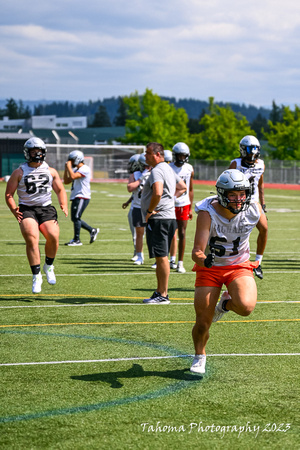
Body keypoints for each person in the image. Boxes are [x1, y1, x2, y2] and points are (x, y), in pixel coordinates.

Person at [190, 169, 268, 374]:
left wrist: (258, 259)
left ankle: (225, 304)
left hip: (239, 265)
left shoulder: (252, 208)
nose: (238, 199)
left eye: (242, 194)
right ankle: (200, 355)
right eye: (233, 194)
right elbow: (197, 250)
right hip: (211, 267)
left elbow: (265, 230)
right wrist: (203, 259)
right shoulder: (208, 211)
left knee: (246, 307)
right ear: (222, 194)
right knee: (203, 321)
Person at [5, 137, 68, 294]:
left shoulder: (50, 171)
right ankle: (36, 275)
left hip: (46, 208)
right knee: (32, 238)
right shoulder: (19, 172)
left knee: (53, 236)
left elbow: (60, 189)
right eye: (33, 152)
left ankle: (49, 265)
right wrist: (14, 208)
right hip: (27, 209)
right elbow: (9, 194)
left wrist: (63, 203)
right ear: (27, 153)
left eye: (39, 151)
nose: (36, 155)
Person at [141, 142, 187, 304]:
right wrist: (170, 200)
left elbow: (158, 192)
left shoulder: (158, 171)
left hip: (159, 219)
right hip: (169, 217)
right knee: (162, 256)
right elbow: (182, 187)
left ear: (157, 154)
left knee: (161, 257)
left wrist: (149, 211)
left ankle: (163, 294)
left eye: (148, 153)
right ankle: (160, 291)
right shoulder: (168, 168)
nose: (145, 156)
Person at [229, 135, 267, 279]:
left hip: (254, 203)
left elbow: (260, 184)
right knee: (237, 235)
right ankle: (234, 264)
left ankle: (258, 263)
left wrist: (262, 204)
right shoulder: (235, 164)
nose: (252, 155)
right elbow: (225, 182)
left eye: (254, 152)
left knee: (264, 229)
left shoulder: (261, 164)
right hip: (238, 203)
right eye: (249, 151)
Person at [63, 150, 99, 246]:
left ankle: (77, 240)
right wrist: (66, 169)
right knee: (74, 218)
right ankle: (92, 230)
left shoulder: (85, 168)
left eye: (72, 160)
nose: (70, 162)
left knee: (76, 217)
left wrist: (69, 167)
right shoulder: (75, 170)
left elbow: (74, 176)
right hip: (77, 196)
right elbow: (66, 181)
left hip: (82, 196)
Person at [169, 142, 194, 273]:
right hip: (171, 204)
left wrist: (190, 206)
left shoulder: (189, 168)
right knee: (171, 233)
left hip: (184, 204)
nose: (181, 159)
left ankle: (180, 262)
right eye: (178, 156)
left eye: (183, 156)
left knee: (183, 233)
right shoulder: (169, 168)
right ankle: (171, 259)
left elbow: (190, 189)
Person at [127, 153, 151, 265]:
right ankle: (139, 256)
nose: (147, 168)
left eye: (148, 165)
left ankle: (157, 259)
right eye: (145, 165)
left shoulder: (154, 174)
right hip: (137, 207)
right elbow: (130, 188)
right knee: (138, 233)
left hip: (150, 208)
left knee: (153, 234)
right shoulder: (136, 174)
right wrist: (141, 179)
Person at [123, 154, 140, 261]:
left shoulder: (147, 174)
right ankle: (137, 252)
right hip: (135, 206)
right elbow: (135, 193)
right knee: (135, 233)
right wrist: (128, 201)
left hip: (142, 208)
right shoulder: (135, 174)